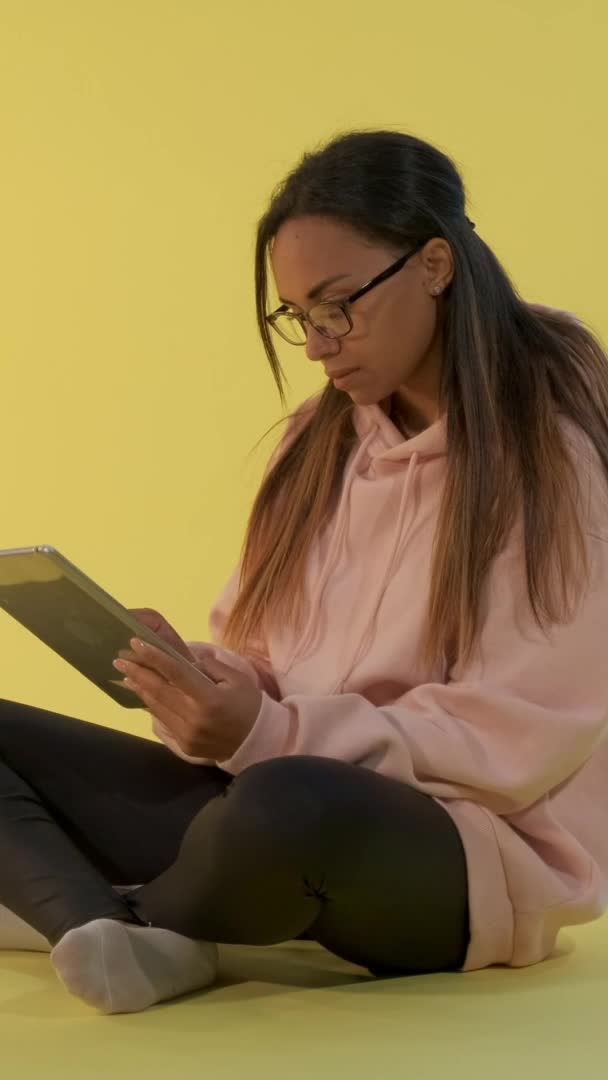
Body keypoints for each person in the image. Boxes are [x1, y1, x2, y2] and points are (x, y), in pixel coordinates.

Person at [2, 128, 608, 1016]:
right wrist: (205, 680)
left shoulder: (557, 455)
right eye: (300, 317)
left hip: (462, 851)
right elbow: (271, 663)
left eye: (339, 306)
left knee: (287, 806)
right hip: (267, 791)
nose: (320, 344)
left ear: (435, 264)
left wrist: (264, 734)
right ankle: (130, 926)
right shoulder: (315, 447)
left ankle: (86, 905)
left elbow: (518, 741)